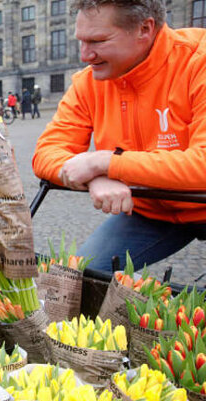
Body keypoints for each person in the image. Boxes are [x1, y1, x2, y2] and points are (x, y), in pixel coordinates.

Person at [32, 0, 206, 272]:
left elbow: (203, 165)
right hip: (150, 214)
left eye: (97, 41)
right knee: (80, 278)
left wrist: (107, 163)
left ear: (144, 29)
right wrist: (96, 177)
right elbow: (46, 152)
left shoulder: (199, 60)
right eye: (81, 41)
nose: (85, 55)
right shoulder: (89, 82)